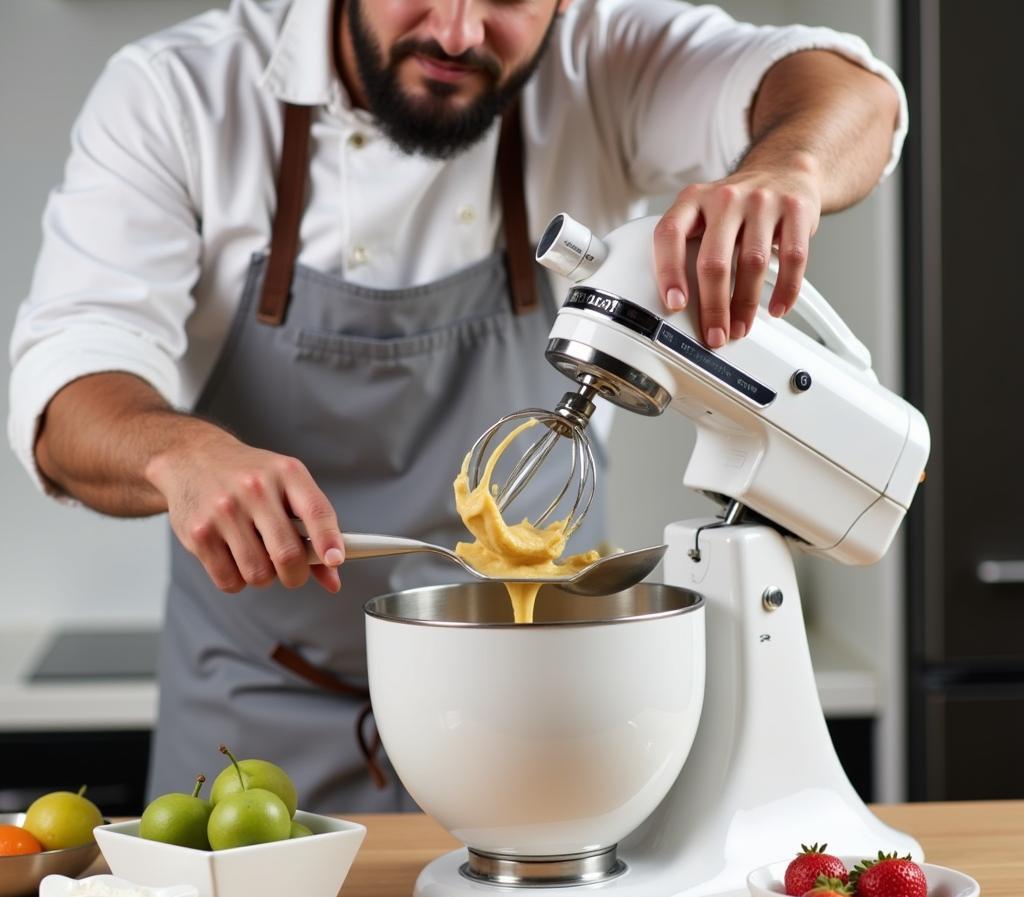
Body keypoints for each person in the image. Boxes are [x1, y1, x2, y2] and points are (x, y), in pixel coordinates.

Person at [7, 0, 904, 812]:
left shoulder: (601, 57)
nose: (460, 33)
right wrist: (181, 454)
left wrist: (787, 166)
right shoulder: (179, 94)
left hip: (538, 715)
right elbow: (70, 389)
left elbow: (854, 93)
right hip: (258, 721)